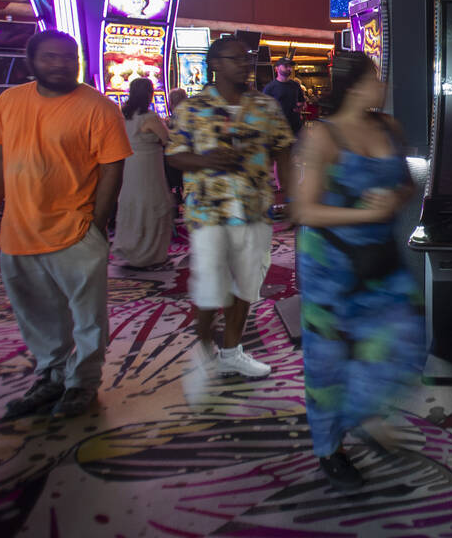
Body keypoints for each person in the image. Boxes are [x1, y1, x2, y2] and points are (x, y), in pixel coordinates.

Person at [0, 30, 132, 418]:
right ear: (31, 61)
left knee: (87, 316)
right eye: (50, 57)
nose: (61, 64)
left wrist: (97, 225)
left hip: (76, 229)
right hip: (19, 228)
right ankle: (51, 375)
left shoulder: (99, 107)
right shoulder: (10, 101)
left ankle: (83, 382)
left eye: (69, 57)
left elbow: (112, 168)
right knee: (37, 313)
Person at [292, 51, 424, 492]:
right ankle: (330, 449)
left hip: (378, 254)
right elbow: (304, 209)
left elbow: (405, 185)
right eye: (376, 77)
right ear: (356, 87)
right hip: (329, 261)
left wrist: (393, 202)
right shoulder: (322, 136)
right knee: (328, 359)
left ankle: (366, 412)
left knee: (403, 333)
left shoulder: (388, 127)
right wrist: (365, 216)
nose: (383, 84)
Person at [166, 37, 294, 389]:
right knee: (211, 286)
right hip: (210, 210)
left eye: (247, 57)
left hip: (254, 209)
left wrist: (294, 198)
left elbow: (284, 150)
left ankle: (231, 353)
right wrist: (203, 160)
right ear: (215, 64)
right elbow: (175, 154)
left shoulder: (266, 106)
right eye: (235, 58)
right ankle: (204, 345)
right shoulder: (192, 109)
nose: (245, 63)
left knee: (246, 285)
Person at [111, 77, 173, 269]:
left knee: (132, 203)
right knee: (153, 204)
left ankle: (131, 249)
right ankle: (150, 255)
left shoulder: (123, 114)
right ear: (149, 94)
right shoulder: (149, 117)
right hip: (148, 167)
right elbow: (167, 140)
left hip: (129, 164)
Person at [263, 58, 306, 136]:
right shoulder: (270, 87)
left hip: (295, 126)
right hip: (278, 128)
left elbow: (301, 101)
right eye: (286, 66)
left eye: (290, 66)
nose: (289, 69)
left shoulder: (295, 85)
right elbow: (264, 109)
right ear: (277, 68)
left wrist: (299, 107)